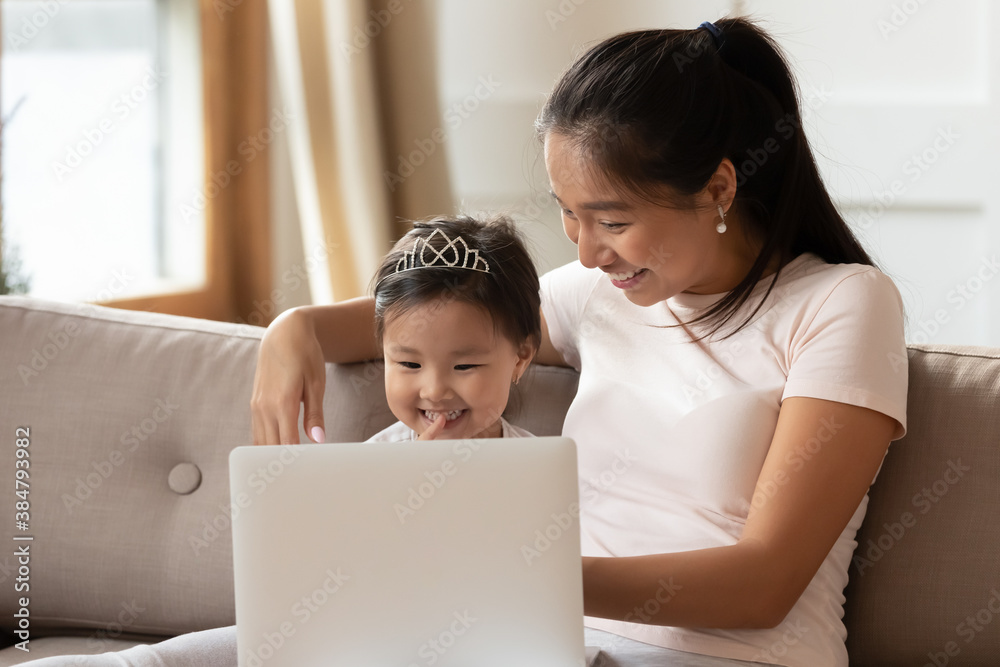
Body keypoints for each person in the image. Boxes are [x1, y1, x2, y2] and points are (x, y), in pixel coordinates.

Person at [251, 17, 906, 667]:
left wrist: (515, 573)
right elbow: (448, 320)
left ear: (718, 187)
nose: (589, 253)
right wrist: (296, 328)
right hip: (549, 641)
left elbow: (764, 583)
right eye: (569, 213)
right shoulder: (604, 294)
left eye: (612, 220)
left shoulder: (842, 303)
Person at [365, 214, 539, 442]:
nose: (434, 391)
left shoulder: (537, 466)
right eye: (410, 364)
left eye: (464, 366)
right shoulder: (370, 467)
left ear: (520, 357)